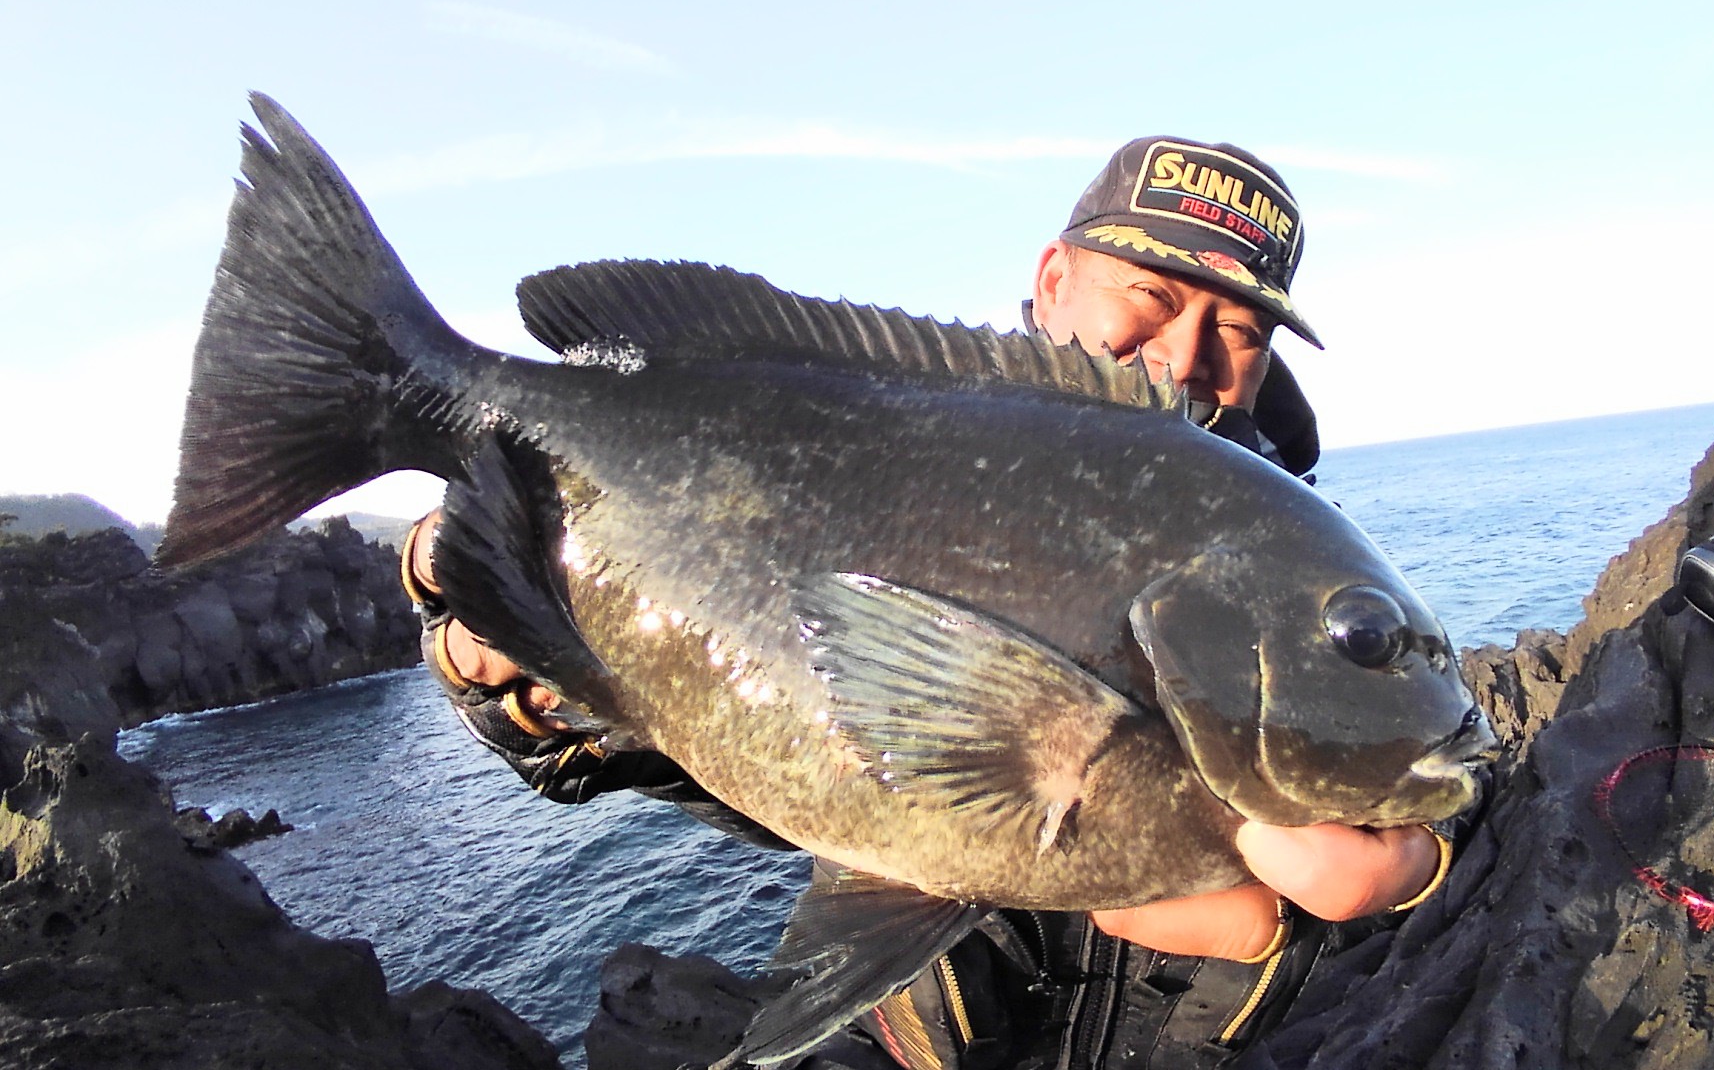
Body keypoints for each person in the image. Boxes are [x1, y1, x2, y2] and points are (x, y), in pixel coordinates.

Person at [400, 136, 1456, 1069]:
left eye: (1240, 330)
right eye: (1155, 298)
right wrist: (508, 658)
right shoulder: (899, 433)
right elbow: (719, 740)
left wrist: (1401, 873)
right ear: (1053, 280)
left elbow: (1451, 773)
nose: (1186, 356)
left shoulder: (1287, 567)